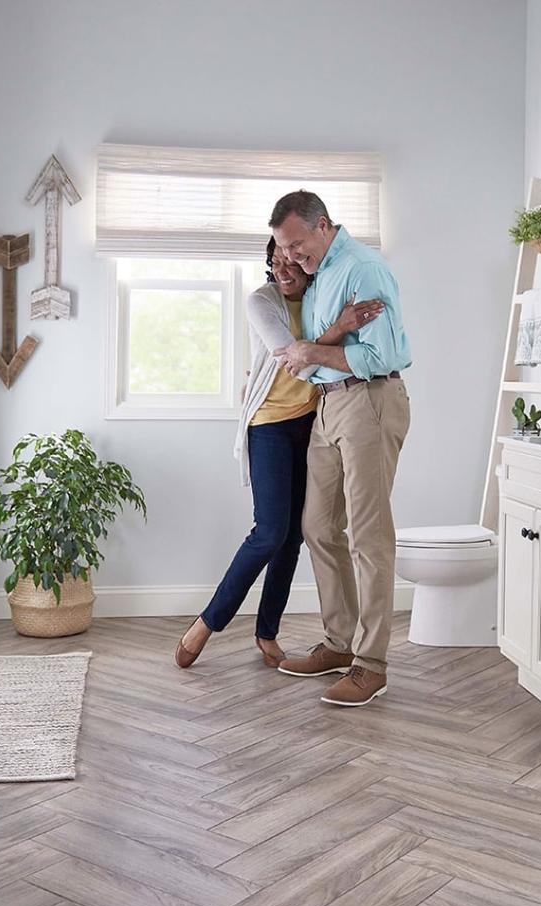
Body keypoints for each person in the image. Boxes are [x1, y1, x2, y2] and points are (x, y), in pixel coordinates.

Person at [174, 238, 382, 669]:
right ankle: (206, 623)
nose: (284, 269)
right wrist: (339, 329)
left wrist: (339, 328)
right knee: (268, 531)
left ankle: (267, 630)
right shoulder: (261, 300)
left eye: (291, 261)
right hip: (268, 424)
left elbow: (321, 357)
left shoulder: (316, 298)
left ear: (307, 264)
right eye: (275, 262)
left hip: (310, 424)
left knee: (294, 536)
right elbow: (297, 361)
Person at [270, 190, 412, 707]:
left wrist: (313, 351)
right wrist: (314, 351)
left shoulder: (362, 268)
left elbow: (383, 353)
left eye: (298, 245)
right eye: (285, 250)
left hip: (370, 400)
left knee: (368, 535)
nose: (292, 257)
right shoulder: (319, 273)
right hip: (329, 405)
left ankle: (371, 664)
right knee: (318, 526)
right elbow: (309, 356)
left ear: (323, 224)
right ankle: (339, 642)